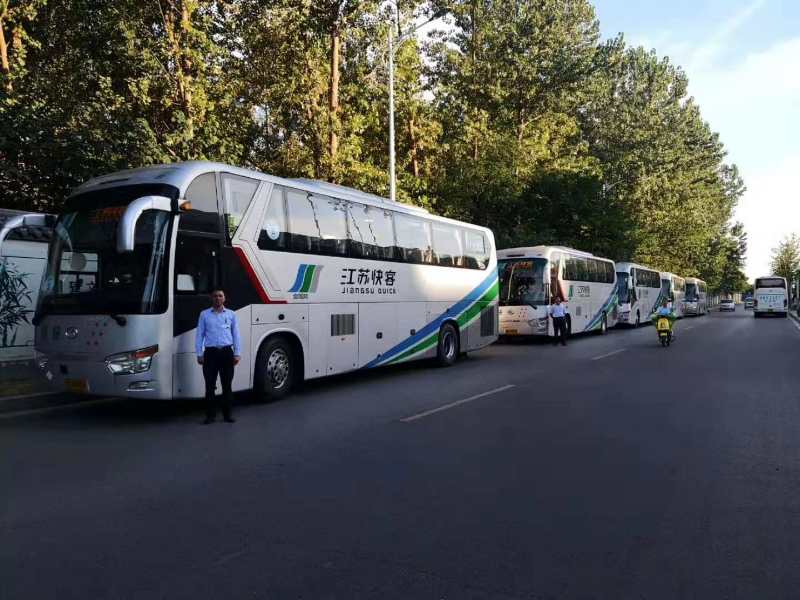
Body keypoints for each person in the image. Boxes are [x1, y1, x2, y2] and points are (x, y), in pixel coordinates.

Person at [196, 289, 241, 424]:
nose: (217, 298)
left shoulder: (231, 314)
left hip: (227, 353)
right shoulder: (204, 314)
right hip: (210, 354)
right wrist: (199, 353)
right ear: (211, 298)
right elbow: (199, 335)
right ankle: (210, 416)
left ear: (224, 298)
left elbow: (236, 335)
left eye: (220, 296)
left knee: (227, 385)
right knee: (209, 385)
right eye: (215, 296)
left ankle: (227, 415)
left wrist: (237, 353)